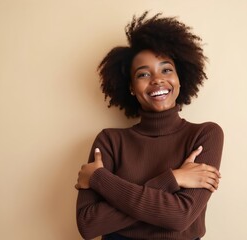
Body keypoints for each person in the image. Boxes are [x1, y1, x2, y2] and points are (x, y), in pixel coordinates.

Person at [75, 11, 224, 240]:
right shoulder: (109, 141)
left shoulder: (204, 134)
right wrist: (173, 179)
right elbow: (89, 224)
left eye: (166, 70)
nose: (157, 79)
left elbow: (180, 217)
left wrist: (100, 179)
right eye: (143, 74)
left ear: (179, 78)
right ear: (131, 87)